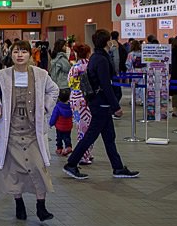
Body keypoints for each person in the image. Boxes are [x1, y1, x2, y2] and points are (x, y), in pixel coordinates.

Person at [0, 40, 60, 221]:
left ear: (30, 55)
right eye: (16, 52)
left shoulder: (40, 75)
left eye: (24, 52)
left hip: (33, 131)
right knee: (14, 170)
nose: (20, 55)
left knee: (39, 167)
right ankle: (19, 204)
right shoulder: (2, 75)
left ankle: (41, 206)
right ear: (11, 55)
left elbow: (54, 90)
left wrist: (45, 107)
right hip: (11, 131)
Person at [63, 29, 139, 180]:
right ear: (107, 41)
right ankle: (71, 164)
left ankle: (117, 167)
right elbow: (106, 84)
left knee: (109, 136)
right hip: (101, 103)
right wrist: (115, 106)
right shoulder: (101, 59)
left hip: (97, 102)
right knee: (91, 135)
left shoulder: (96, 58)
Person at [68, 44, 95, 165]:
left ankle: (85, 152)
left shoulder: (74, 67)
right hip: (86, 99)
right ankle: (84, 155)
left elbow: (70, 83)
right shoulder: (89, 66)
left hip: (74, 98)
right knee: (87, 128)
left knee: (81, 126)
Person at [50, 89, 74, 157]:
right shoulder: (71, 106)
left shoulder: (58, 107)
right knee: (67, 137)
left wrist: (51, 123)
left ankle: (59, 149)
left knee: (59, 138)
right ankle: (68, 146)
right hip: (68, 126)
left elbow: (54, 116)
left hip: (59, 127)